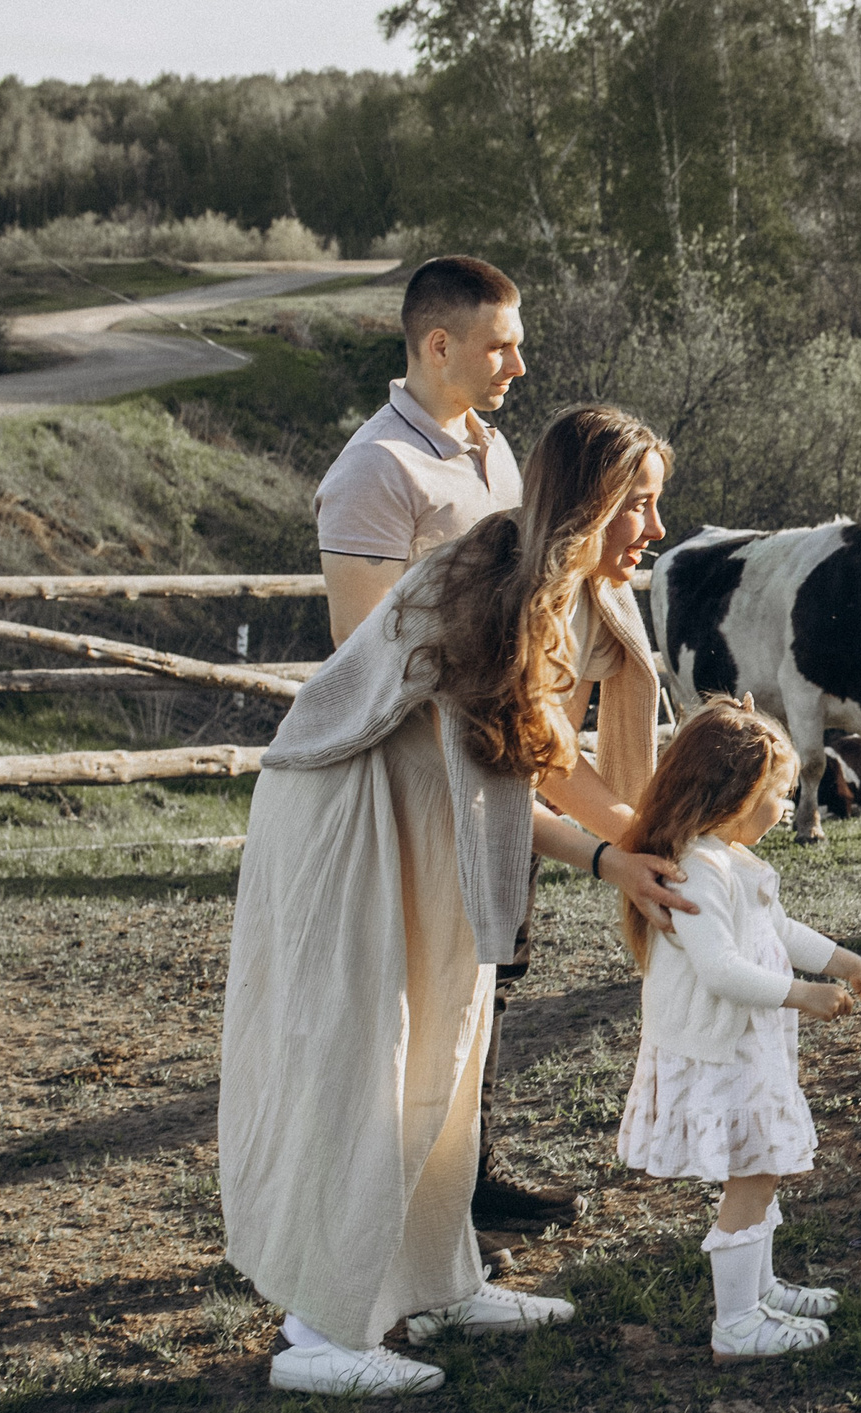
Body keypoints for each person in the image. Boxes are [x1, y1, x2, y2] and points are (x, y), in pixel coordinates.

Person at [222, 404, 695, 1398]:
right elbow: (517, 767)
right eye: (639, 504)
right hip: (354, 808)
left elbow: (551, 761)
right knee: (372, 1053)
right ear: (589, 503)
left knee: (452, 1041)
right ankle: (320, 1328)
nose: (655, 529)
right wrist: (613, 857)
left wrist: (660, 841)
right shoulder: (488, 588)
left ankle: (437, 1281)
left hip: (438, 813)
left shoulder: (585, 596)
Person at [314, 254, 636, 1250]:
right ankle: (398, 1211)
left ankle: (468, 1177)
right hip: (418, 780)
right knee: (422, 994)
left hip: (498, 761)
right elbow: (367, 655)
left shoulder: (493, 454)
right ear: (439, 343)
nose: (519, 365)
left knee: (489, 975)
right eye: (501, 346)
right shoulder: (374, 471)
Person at [611, 700, 861, 1362]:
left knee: (762, 1170)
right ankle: (737, 1321)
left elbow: (778, 930)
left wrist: (848, 964)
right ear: (734, 794)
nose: (785, 807)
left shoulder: (730, 859)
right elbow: (720, 970)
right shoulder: (697, 872)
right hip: (722, 1055)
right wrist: (804, 995)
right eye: (778, 795)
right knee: (755, 1171)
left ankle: (759, 1289)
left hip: (750, 1049)